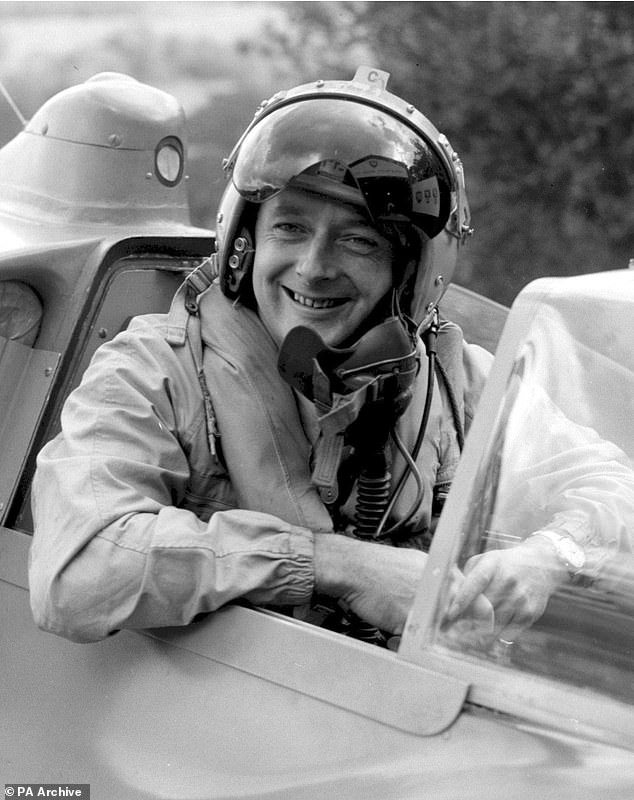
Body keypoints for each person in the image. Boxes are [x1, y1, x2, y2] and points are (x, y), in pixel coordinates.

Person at [29, 66, 634, 646]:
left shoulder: (454, 380)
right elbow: (77, 572)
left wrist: (549, 555)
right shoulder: (154, 373)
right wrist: (337, 565)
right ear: (244, 241)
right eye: (289, 228)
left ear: (410, 277)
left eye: (358, 240)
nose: (315, 267)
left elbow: (613, 484)